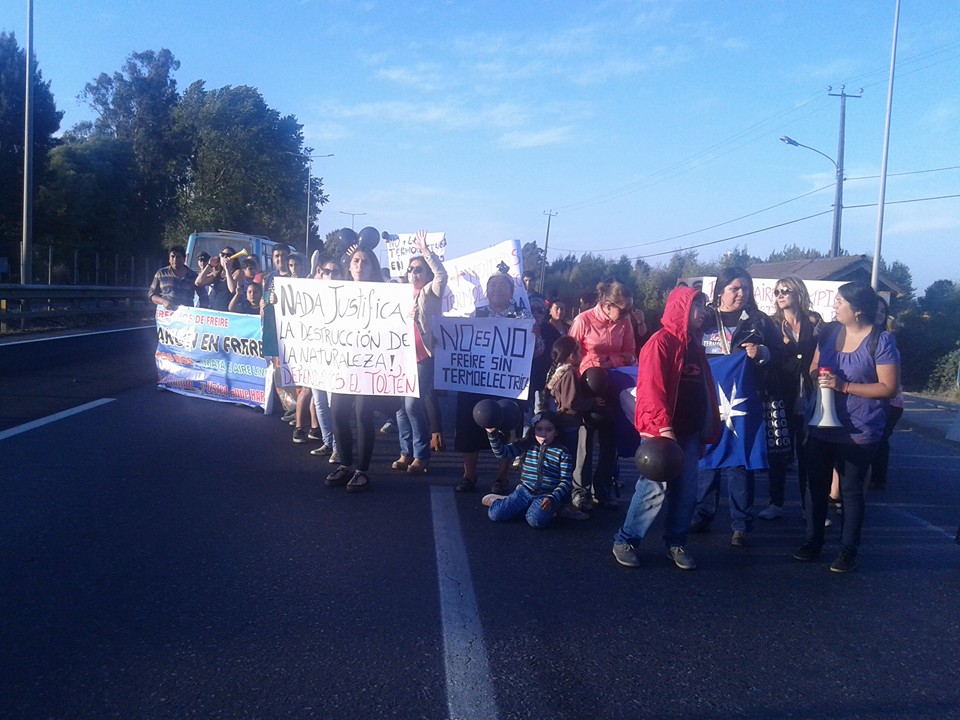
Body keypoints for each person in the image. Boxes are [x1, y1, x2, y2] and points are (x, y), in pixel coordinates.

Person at [793, 282, 900, 573]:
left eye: (840, 302)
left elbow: (889, 387)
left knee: (851, 492)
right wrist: (819, 375)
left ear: (858, 309)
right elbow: (814, 365)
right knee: (815, 487)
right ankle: (812, 542)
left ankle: (847, 550)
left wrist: (845, 386)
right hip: (821, 423)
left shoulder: (881, 341)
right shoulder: (828, 331)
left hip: (859, 429)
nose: (834, 306)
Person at [612, 287, 721, 570]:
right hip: (663, 435)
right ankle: (625, 540)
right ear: (682, 309)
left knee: (686, 492)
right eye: (697, 306)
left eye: (704, 306)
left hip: (689, 433)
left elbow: (703, 393)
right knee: (653, 489)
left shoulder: (695, 347)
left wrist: (702, 433)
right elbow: (651, 391)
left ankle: (676, 543)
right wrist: (664, 431)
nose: (703, 312)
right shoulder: (660, 343)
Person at [690, 267, 782, 547]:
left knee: (740, 460)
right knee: (706, 458)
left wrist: (762, 354)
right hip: (707, 399)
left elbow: (779, 355)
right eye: (735, 289)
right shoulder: (703, 318)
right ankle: (702, 514)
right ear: (721, 290)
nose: (742, 294)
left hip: (743, 401)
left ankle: (741, 524)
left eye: (746, 289)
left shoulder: (759, 321)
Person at [454, 271, 535, 494]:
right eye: (493, 285)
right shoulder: (476, 315)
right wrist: (442, 340)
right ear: (486, 291)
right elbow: (459, 342)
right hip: (476, 382)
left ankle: (501, 478)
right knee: (470, 427)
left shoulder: (523, 318)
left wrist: (536, 337)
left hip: (507, 384)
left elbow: (537, 351)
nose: (497, 289)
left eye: (502, 285)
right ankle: (469, 475)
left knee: (508, 428)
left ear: (511, 292)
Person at [567, 278, 637, 513]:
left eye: (630, 310)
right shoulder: (583, 320)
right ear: (608, 305)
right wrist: (593, 365)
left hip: (614, 385)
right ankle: (580, 491)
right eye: (624, 309)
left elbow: (629, 354)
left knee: (610, 441)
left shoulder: (625, 323)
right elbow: (569, 355)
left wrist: (607, 362)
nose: (628, 314)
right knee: (585, 440)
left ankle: (603, 490)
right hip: (588, 387)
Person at [325, 245, 391, 493]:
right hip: (342, 363)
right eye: (355, 261)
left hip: (369, 364)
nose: (359, 265)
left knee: (363, 414)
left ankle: (362, 471)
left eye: (365, 262)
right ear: (349, 265)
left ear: (372, 267)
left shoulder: (384, 294)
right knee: (337, 413)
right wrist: (276, 300)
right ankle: (345, 465)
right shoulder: (335, 292)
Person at [758, 276, 824, 520]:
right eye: (776, 292)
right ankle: (776, 503)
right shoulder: (771, 325)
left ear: (799, 293)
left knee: (808, 454)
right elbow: (766, 360)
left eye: (786, 290)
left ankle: (810, 508)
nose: (780, 295)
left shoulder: (814, 321)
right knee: (778, 452)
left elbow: (822, 353)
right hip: (779, 393)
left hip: (808, 393)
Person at [391, 230, 448, 476]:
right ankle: (405, 452)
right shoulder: (398, 294)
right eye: (411, 269)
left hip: (423, 356)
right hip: (401, 357)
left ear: (425, 274)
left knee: (413, 406)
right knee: (400, 408)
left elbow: (442, 274)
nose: (414, 273)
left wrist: (426, 252)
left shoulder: (431, 293)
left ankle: (421, 455)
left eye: (419, 269)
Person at [481, 411, 574, 529]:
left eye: (548, 430)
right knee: (494, 514)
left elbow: (566, 481)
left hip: (546, 495)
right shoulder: (527, 445)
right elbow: (501, 453)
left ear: (556, 432)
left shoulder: (563, 452)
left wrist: (553, 497)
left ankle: (545, 509)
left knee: (535, 521)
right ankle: (506, 502)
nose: (543, 434)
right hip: (524, 492)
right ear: (533, 430)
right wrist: (492, 433)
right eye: (539, 429)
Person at [309, 259, 343, 461]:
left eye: (335, 271)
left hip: (336, 359)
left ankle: (339, 447)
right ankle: (328, 442)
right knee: (320, 402)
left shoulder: (348, 297)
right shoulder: (310, 295)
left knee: (333, 404)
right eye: (326, 271)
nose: (330, 275)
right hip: (315, 357)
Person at [868, 296, 903, 490]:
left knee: (880, 438)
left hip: (890, 400)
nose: (879, 315)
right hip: (872, 397)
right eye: (876, 310)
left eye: (883, 311)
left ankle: (877, 477)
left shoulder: (885, 339)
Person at [149, 246, 198, 310]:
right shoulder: (161, 274)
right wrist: (163, 301)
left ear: (184, 258)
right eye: (172, 256)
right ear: (169, 258)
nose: (175, 260)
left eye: (178, 257)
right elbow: (151, 294)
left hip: (187, 316)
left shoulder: (193, 275)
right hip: (167, 316)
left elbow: (203, 296)